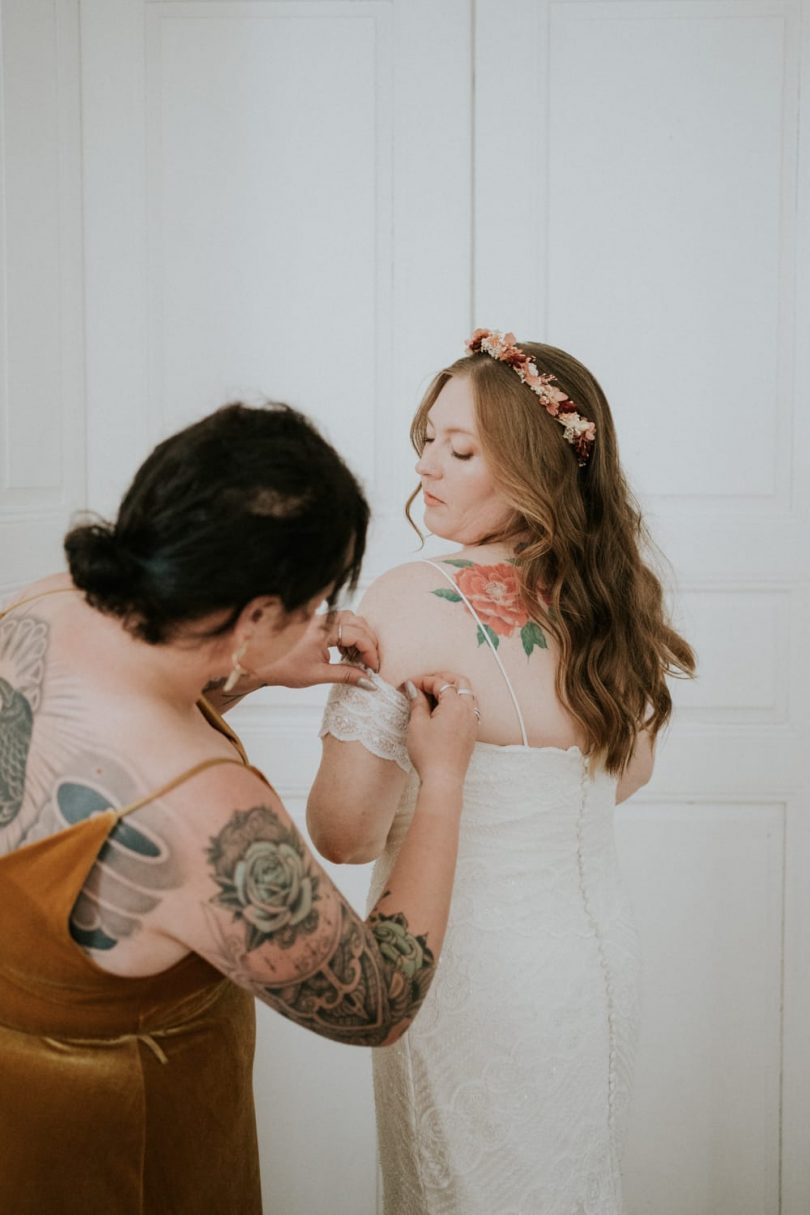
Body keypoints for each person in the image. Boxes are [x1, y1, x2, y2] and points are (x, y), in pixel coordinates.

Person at [0, 401, 478, 1215]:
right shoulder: (212, 815)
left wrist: (247, 667)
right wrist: (443, 781)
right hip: (126, 1140)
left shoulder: (42, 605)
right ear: (257, 611)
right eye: (309, 600)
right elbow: (377, 1002)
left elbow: (102, 737)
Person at [308, 330, 696, 1215]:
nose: (426, 464)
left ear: (532, 468)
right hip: (591, 975)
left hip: (466, 977)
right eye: (427, 437)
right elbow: (620, 779)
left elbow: (344, 831)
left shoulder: (410, 595)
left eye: (461, 447)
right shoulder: (615, 602)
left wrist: (355, 699)